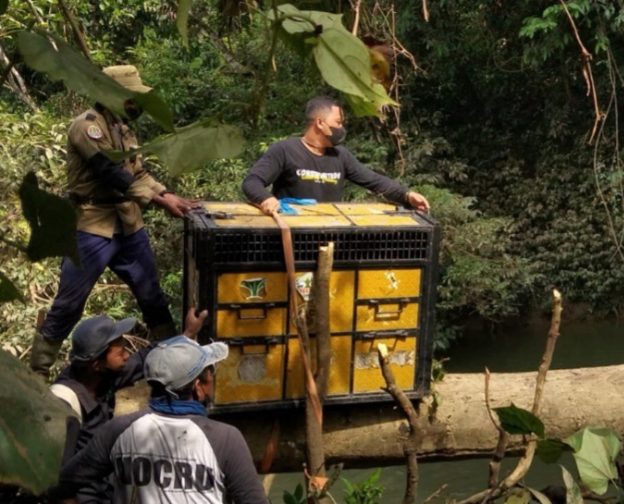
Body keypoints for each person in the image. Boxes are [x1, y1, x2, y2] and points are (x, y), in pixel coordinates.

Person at [29, 65, 200, 378]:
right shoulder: (86, 127)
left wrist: (167, 194)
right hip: (92, 226)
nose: (137, 105)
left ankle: (178, 366)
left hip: (128, 224)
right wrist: (160, 201)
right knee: (69, 304)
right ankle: (38, 375)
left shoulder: (125, 130)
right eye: (131, 98)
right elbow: (111, 173)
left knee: (152, 297)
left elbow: (138, 173)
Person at [52, 336, 269, 504]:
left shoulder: (118, 431)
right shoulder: (226, 439)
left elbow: (61, 485)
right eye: (210, 372)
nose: (212, 378)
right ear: (198, 387)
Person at [48, 310, 206, 503]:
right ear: (96, 364)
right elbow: (58, 481)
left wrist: (187, 334)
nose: (127, 355)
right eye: (121, 352)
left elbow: (142, 359)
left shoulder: (102, 376)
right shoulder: (64, 402)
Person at [241, 95, 430, 215]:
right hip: (292, 235)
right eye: (338, 122)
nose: (341, 128)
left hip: (329, 236)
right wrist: (266, 199)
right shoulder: (284, 150)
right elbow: (252, 182)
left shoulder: (340, 156)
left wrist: (407, 195)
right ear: (320, 123)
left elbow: (374, 181)